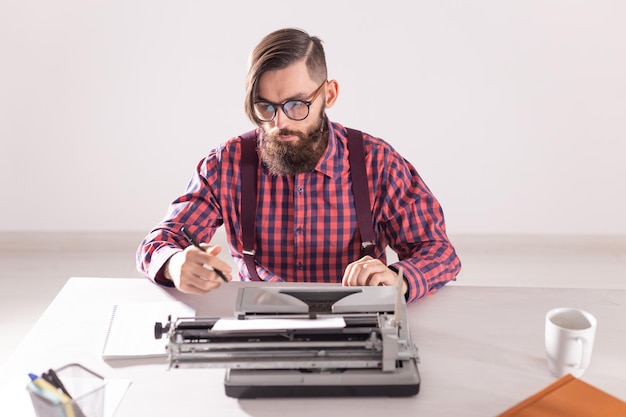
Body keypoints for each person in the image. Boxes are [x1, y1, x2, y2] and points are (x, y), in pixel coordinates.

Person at [136, 27, 461, 303]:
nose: (279, 123)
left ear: (329, 95)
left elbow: (438, 252)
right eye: (265, 106)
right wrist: (175, 263)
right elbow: (157, 244)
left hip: (357, 321)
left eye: (296, 104)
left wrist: (398, 279)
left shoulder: (376, 163)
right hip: (259, 322)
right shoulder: (226, 165)